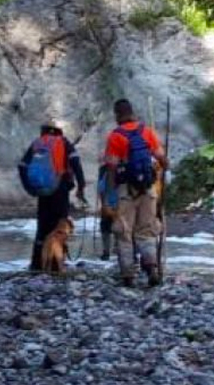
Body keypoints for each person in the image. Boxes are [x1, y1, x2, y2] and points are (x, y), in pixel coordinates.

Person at [102, 99, 169, 286]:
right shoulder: (147, 131)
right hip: (148, 189)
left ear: (117, 115)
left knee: (124, 232)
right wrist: (165, 173)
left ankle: (128, 275)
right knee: (146, 230)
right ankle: (151, 268)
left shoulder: (115, 136)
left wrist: (109, 197)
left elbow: (111, 168)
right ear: (132, 113)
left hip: (126, 191)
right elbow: (163, 159)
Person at [19, 119, 86, 271]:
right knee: (59, 228)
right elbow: (75, 162)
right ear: (58, 131)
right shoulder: (64, 142)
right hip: (60, 190)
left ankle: (37, 263)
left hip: (42, 191)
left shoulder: (37, 143)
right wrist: (81, 186)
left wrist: (29, 187)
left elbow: (22, 166)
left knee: (42, 228)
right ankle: (56, 264)